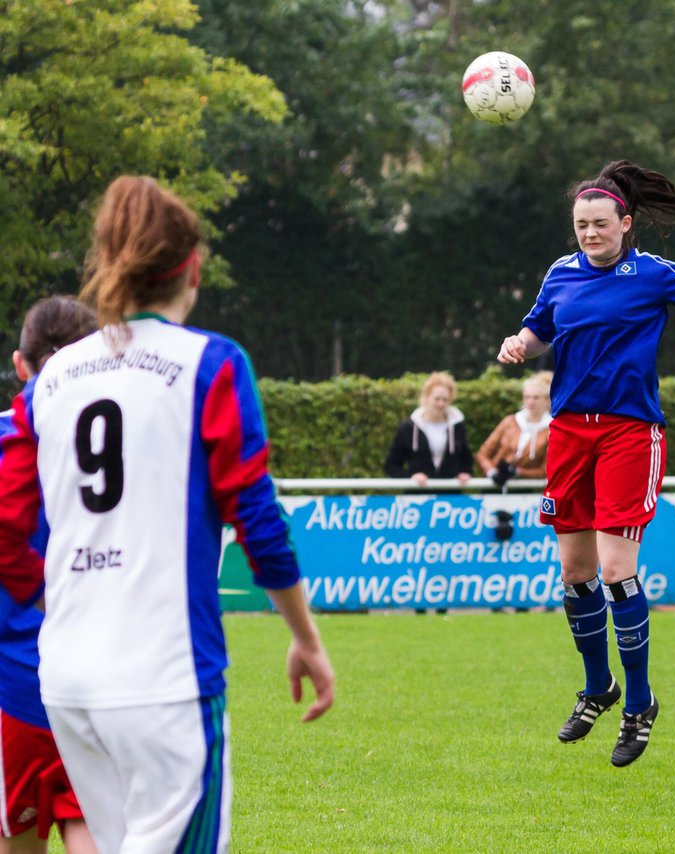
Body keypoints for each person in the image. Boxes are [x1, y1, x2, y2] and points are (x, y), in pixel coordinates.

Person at [0, 175, 335, 853]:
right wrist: (306, 637)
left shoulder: (51, 382)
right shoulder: (209, 362)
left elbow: (8, 521)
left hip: (65, 677)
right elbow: (257, 517)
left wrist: (46, 593)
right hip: (162, 676)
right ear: (192, 268)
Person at [497, 159, 675, 767]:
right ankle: (597, 688)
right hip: (569, 435)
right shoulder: (561, 274)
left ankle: (638, 703)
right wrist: (519, 344)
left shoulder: (654, 274)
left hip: (629, 434)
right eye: (581, 224)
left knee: (616, 573)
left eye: (600, 223)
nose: (589, 233)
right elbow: (539, 330)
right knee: (574, 574)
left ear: (625, 223)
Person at [0, 298, 98, 854]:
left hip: (16, 685)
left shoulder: (9, 437)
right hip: (102, 675)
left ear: (21, 363)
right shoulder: (120, 448)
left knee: (18, 839)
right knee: (91, 826)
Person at [383, 372, 474, 487]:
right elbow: (391, 465)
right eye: (437, 399)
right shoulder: (408, 428)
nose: (441, 404)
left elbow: (466, 459)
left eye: (445, 400)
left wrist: (465, 472)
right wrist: (410, 478)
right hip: (417, 498)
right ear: (426, 397)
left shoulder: (457, 427)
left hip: (450, 498)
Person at [475, 371, 553, 488]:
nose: (531, 401)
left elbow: (545, 469)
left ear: (546, 399)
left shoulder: (550, 428)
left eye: (536, 397)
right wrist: (492, 472)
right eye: (527, 397)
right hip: (494, 484)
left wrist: (518, 472)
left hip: (524, 490)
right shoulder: (510, 422)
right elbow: (483, 454)